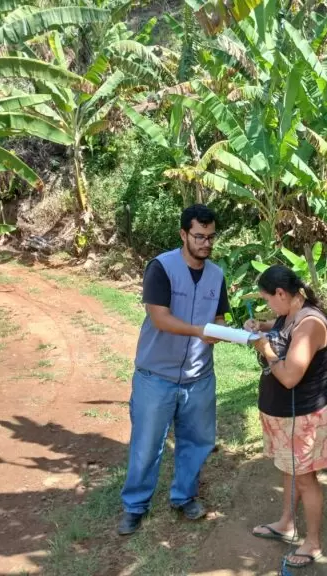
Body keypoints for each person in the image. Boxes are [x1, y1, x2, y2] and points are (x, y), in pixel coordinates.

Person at [118, 204, 229, 535]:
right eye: (199, 236)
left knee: (197, 441)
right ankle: (135, 506)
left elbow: (219, 318)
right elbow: (160, 318)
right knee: (146, 445)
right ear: (183, 234)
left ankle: (184, 496)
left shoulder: (217, 275)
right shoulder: (161, 268)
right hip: (156, 376)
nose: (206, 243)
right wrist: (199, 331)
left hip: (199, 376)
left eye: (211, 237)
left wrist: (225, 331)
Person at [244, 265, 327, 569]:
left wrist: (266, 349)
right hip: (286, 416)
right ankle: (286, 524)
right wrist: (261, 325)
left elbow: (289, 377)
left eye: (268, 299)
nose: (269, 305)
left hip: (305, 417)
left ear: (281, 293)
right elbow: (280, 327)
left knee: (306, 479)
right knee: (290, 469)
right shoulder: (291, 313)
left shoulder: (310, 323)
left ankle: (313, 542)